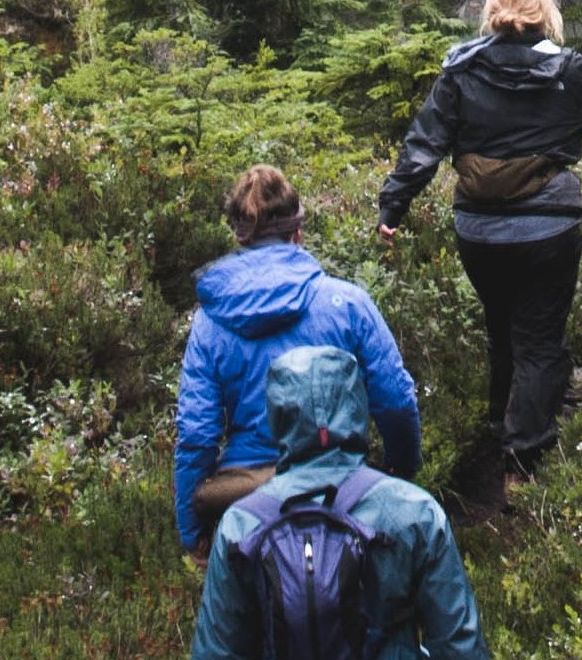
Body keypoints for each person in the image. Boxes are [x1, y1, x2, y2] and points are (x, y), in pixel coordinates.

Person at [374, 0, 582, 486]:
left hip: (480, 233)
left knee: (502, 329)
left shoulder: (461, 68)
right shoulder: (567, 68)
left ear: (493, 9)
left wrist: (392, 209)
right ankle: (523, 456)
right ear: (545, 12)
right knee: (539, 338)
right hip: (548, 229)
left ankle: (500, 425)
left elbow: (422, 146)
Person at [186, 341, 494, 660]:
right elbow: (457, 643)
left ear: (277, 415)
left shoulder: (241, 524)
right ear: (356, 406)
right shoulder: (414, 512)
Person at [177, 163, 421, 552]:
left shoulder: (210, 321)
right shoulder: (347, 303)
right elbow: (395, 402)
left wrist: (194, 536)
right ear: (298, 233)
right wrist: (400, 473)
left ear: (240, 238)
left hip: (245, 503)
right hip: (342, 493)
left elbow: (196, 435)